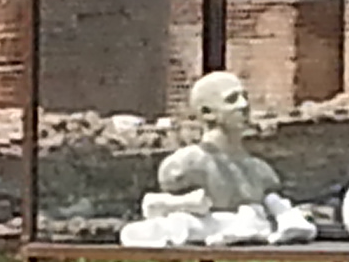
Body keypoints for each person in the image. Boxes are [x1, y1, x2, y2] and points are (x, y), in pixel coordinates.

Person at [119, 71, 316, 248]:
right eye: (231, 100)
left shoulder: (262, 172)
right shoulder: (184, 166)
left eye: (244, 97)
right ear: (207, 112)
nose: (244, 106)